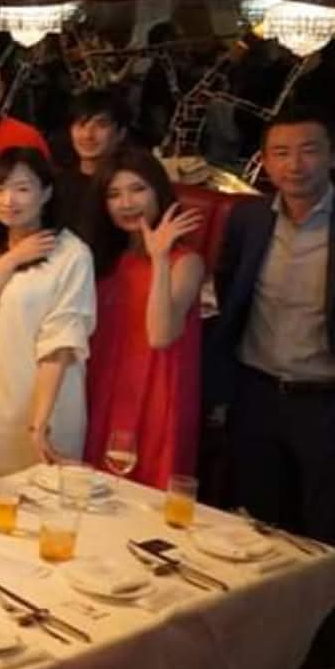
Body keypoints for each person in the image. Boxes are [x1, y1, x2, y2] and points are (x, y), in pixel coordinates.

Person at [212, 108, 335, 565]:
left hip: (331, 403)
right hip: (256, 396)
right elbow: (229, 292)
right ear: (265, 161)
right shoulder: (249, 219)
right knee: (258, 528)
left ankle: (331, 613)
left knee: (332, 533)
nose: (294, 165)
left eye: (308, 151)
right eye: (280, 153)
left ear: (334, 156)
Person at [0, 147, 97, 477]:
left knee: (49, 495)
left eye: (22, 189)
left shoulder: (72, 254)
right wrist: (11, 260)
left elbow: (60, 344)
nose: (8, 200)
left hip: (49, 403)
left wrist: (39, 423)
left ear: (46, 193)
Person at [81, 149, 205, 488]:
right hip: (101, 384)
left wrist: (160, 259)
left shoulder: (186, 262)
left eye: (138, 189)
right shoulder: (103, 257)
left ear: (159, 192)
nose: (126, 203)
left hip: (155, 392)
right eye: (114, 194)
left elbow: (160, 335)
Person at [53, 88, 130, 236]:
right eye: (81, 124)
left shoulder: (128, 184)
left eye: (101, 125)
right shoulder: (58, 184)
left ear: (121, 133)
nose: (88, 135)